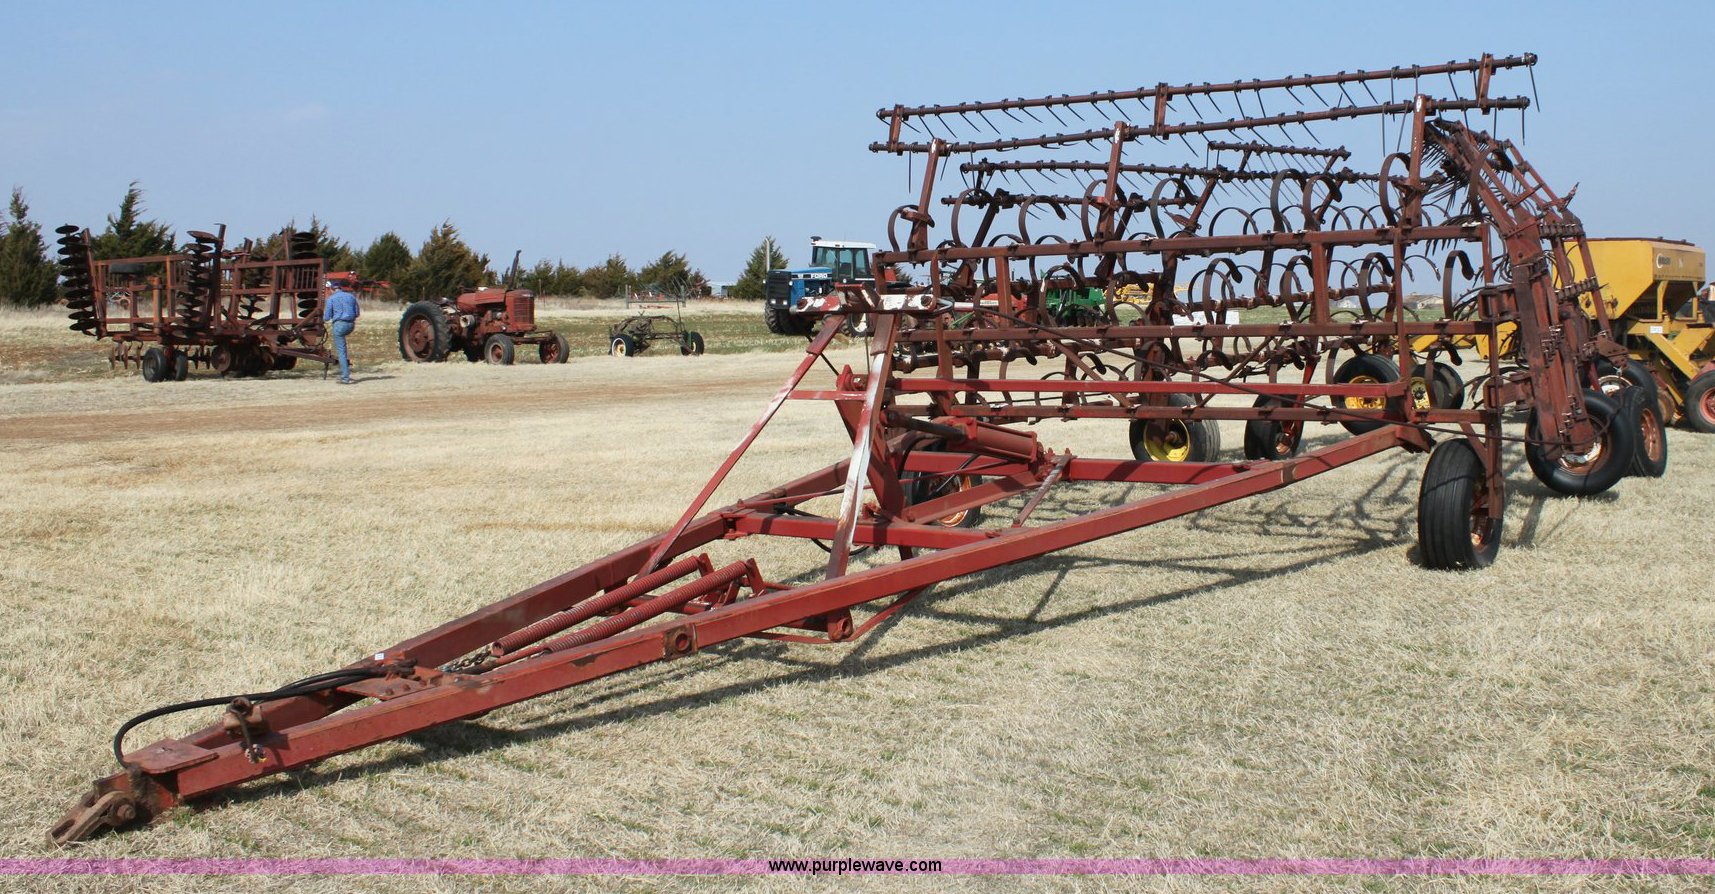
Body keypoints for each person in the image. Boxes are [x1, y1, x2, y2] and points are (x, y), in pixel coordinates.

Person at [323, 278, 361, 384]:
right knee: (343, 348)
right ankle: (345, 374)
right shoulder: (351, 297)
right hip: (351, 324)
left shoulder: (331, 299)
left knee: (342, 352)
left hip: (339, 325)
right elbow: (357, 313)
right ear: (340, 288)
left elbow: (326, 317)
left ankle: (345, 378)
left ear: (332, 289)